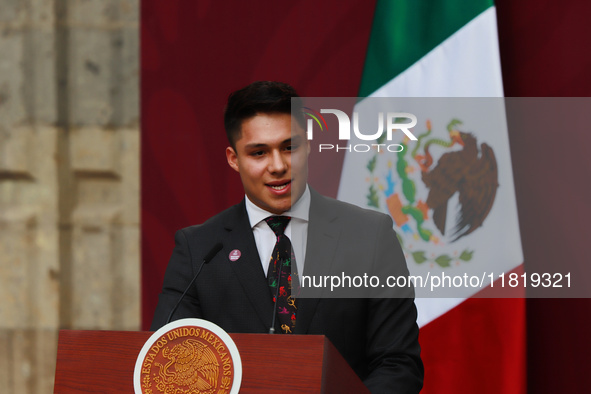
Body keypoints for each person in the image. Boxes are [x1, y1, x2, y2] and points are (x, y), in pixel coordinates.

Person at [151, 81, 424, 393]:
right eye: (258, 152)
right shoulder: (198, 249)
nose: (278, 166)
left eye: (289, 147)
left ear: (307, 146)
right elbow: (168, 363)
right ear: (233, 158)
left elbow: (398, 364)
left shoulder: (370, 235)